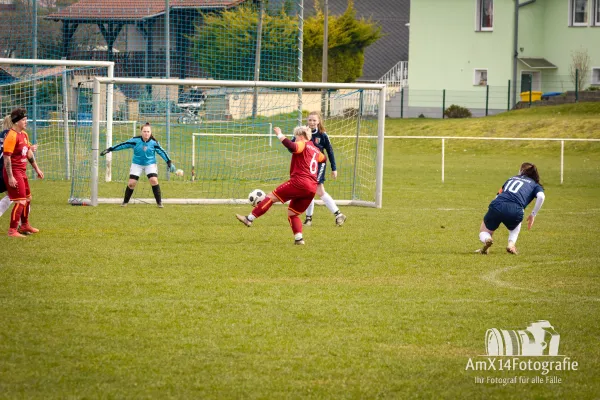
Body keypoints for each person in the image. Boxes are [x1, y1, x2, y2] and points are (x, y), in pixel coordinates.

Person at [235, 125, 326, 245]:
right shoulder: (315, 149)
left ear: (300, 136)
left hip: (299, 182)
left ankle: (249, 219)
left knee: (271, 197)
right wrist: (318, 177)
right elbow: (323, 159)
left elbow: (293, 147)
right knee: (292, 214)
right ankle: (299, 239)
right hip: (311, 187)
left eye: (295, 137)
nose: (295, 139)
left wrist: (279, 134)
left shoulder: (303, 143)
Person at [100, 122, 176, 207]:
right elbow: (123, 145)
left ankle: (159, 203)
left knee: (154, 180)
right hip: (137, 164)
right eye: (144, 131)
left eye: (148, 131)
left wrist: (169, 162)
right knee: (131, 183)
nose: (146, 133)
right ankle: (125, 202)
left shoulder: (154, 143)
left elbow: (162, 152)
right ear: (141, 132)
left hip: (150, 164)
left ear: (150, 133)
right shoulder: (135, 140)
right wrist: (110, 149)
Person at [476, 162, 545, 255]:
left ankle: (487, 239)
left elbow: (498, 195)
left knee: (484, 231)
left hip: (498, 204)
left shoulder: (511, 178)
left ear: (521, 171)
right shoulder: (535, 185)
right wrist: (533, 214)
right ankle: (511, 244)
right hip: (515, 209)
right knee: (515, 228)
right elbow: (541, 196)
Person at [2, 108, 44, 237]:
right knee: (20, 201)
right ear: (16, 122)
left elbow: (29, 153)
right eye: (24, 120)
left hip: (22, 171)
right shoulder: (11, 136)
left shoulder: (24, 134)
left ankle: (25, 225)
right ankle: (12, 230)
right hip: (14, 172)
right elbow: (7, 158)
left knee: (27, 198)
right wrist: (10, 177)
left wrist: (37, 169)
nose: (26, 122)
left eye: (26, 119)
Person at [301, 111, 346, 227]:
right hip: (307, 165)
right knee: (309, 191)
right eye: (310, 120)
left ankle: (337, 214)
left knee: (318, 190)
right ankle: (309, 218)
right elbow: (293, 145)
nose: (312, 122)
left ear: (319, 121)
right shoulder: (303, 133)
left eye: (314, 120)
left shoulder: (322, 135)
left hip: (319, 164)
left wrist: (334, 168)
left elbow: (330, 152)